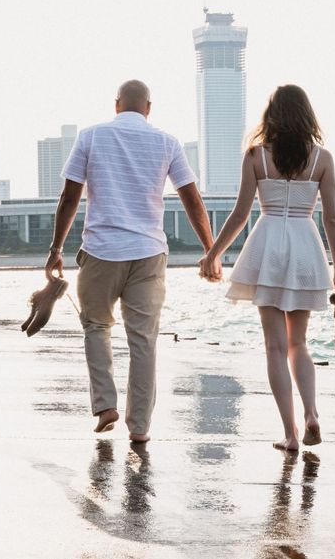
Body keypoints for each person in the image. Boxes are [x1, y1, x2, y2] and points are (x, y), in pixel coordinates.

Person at [46, 80, 214, 443]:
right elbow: (192, 198)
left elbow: (70, 197)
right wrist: (210, 249)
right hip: (149, 253)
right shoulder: (167, 142)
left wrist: (56, 248)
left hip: (101, 251)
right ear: (149, 108)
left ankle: (105, 405)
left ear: (117, 104)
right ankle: (139, 427)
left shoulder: (91, 136)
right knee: (143, 340)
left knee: (96, 327)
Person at [199, 85, 335, 452]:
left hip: (266, 248)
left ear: (272, 115)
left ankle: (291, 434)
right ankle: (311, 413)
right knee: (299, 343)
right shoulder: (322, 158)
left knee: (275, 347)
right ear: (306, 114)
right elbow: (331, 219)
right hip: (305, 248)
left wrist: (213, 254)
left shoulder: (256, 156)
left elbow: (240, 214)